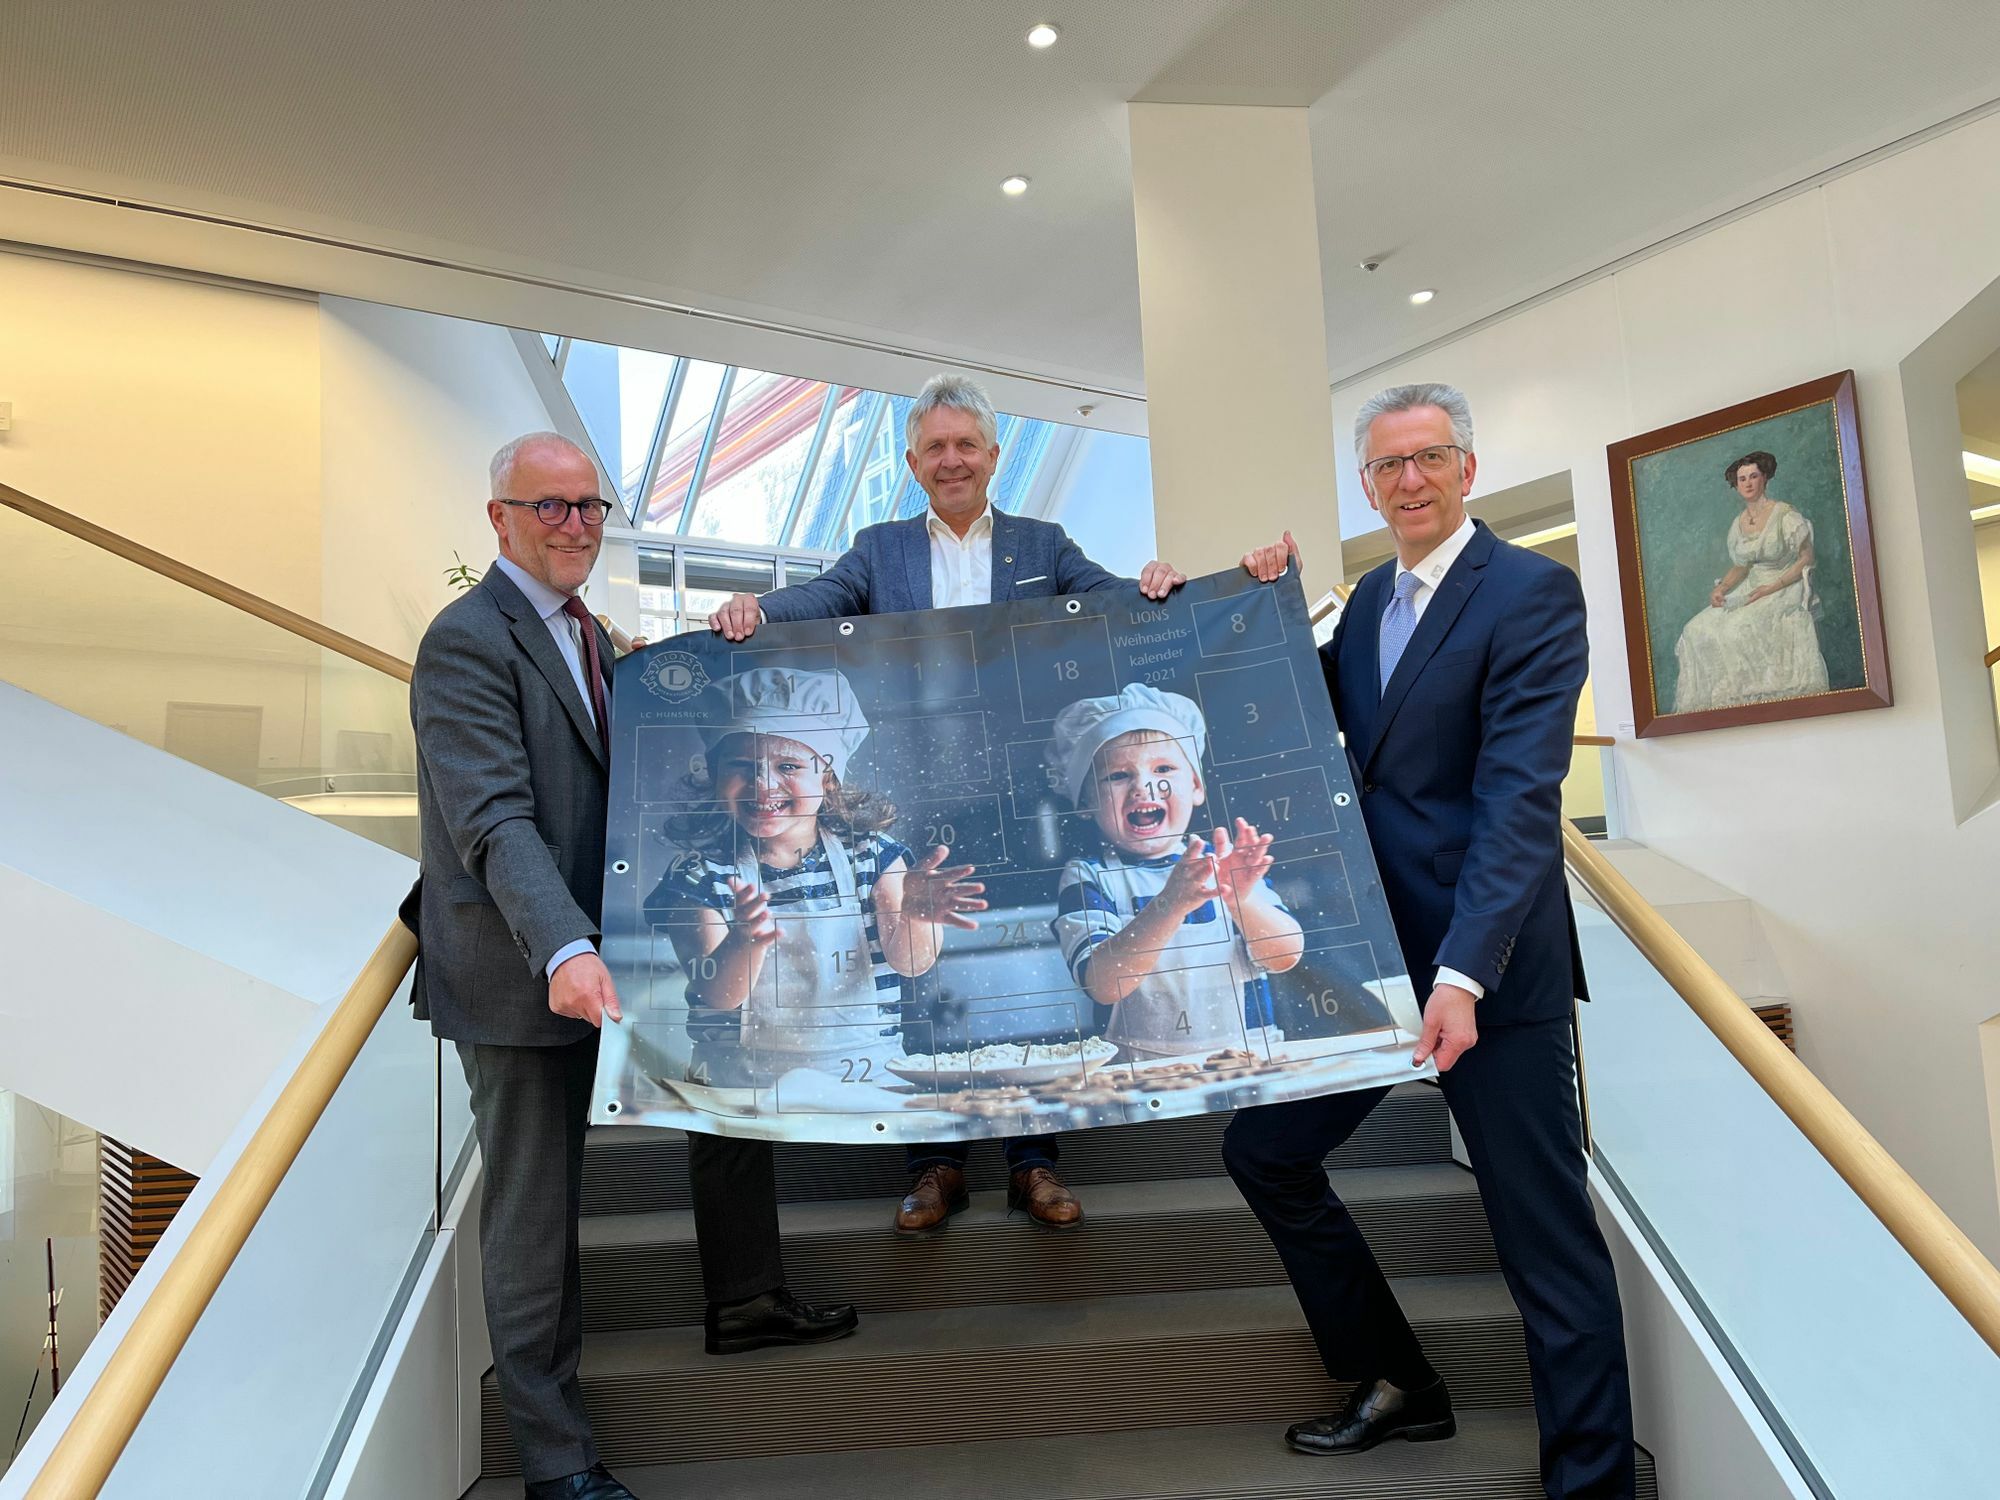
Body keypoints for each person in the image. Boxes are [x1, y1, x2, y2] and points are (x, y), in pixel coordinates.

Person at [407, 432, 856, 1500]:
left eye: (589, 507)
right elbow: (493, 821)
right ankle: (555, 1462)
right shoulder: (466, 641)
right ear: (499, 519)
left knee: (720, 1099)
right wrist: (563, 946)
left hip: (616, 953)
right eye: (550, 506)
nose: (575, 525)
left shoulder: (593, 638)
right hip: (524, 969)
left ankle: (744, 1298)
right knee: (534, 1213)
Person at [1226, 384, 1635, 1498]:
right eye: (1387, 466)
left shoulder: (1530, 593)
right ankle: (1399, 1382)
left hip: (1485, 977)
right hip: (1374, 961)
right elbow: (1290, 714)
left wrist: (1463, 973)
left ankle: (1592, 1485)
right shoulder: (1366, 602)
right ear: (1367, 487)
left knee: (1544, 1245)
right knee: (1262, 1154)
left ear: (1467, 467)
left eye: (1429, 458)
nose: (1409, 480)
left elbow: (1517, 802)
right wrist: (1243, 605)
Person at [708, 372, 1196, 1237]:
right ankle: (934, 1164)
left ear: (995, 455)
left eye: (966, 444)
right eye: (934, 447)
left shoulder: (1043, 544)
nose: (952, 459)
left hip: (1022, 792)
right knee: (922, 965)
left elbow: (1111, 599)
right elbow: (819, 600)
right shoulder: (880, 549)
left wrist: (1154, 582)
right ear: (911, 464)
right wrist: (758, 608)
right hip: (916, 788)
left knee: (1034, 967)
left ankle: (1033, 1160)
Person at [648, 668, 984, 1087]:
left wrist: (915, 916)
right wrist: (745, 940)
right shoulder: (700, 877)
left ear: (827, 778)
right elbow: (718, 996)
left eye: (788, 765)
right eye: (742, 766)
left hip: (869, 1082)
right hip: (739, 1093)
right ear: (714, 774)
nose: (762, 784)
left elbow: (911, 964)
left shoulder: (873, 857)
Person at [1046, 684, 1303, 1060]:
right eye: (1117, 776)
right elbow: (1102, 984)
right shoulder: (1089, 876)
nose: (1143, 787)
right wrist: (1170, 904)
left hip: (1250, 1061)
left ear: (1196, 786)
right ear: (1085, 801)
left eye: (1164, 769)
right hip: (1138, 1074)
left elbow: (1285, 956)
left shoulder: (1226, 864)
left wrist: (1240, 900)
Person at [1671, 449, 1828, 712]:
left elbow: (1806, 558)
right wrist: (1722, 588)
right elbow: (1742, 566)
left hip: (1784, 586)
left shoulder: (1784, 514)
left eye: (1753, 476)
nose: (1747, 483)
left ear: (1765, 478)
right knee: (1695, 629)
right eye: (1742, 479)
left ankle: (1752, 697)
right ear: (1735, 485)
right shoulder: (1740, 522)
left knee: (1735, 629)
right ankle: (1716, 703)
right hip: (1752, 587)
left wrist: (1772, 587)